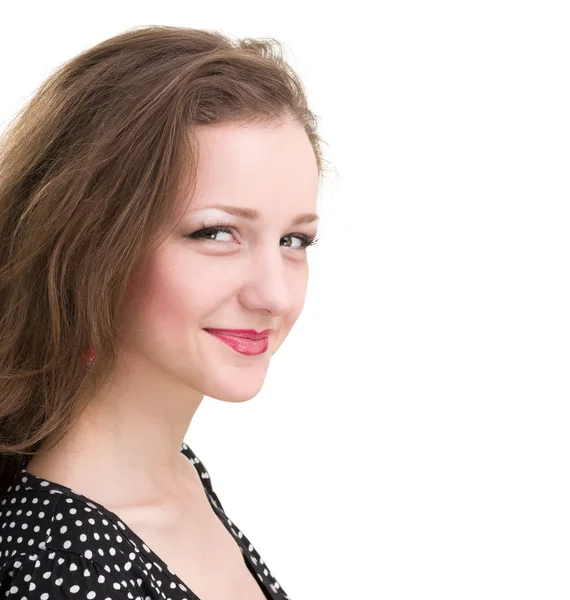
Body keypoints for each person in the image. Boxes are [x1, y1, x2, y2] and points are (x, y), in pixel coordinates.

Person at [0, 25, 329, 599]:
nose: (274, 296)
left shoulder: (175, 475)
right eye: (217, 232)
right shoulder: (68, 562)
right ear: (90, 246)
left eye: (294, 241)